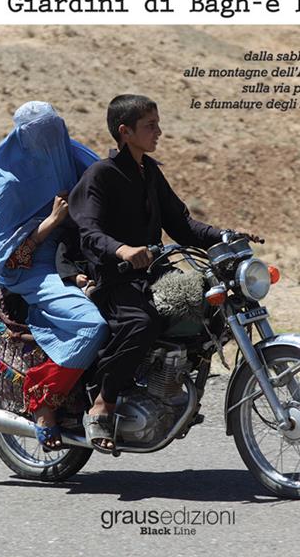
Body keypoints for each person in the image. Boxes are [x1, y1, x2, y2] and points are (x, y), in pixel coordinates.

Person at [68, 94, 222, 451]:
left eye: (157, 123)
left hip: (153, 273)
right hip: (115, 278)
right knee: (142, 322)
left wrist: (224, 236)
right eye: (150, 125)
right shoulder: (101, 175)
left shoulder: (149, 170)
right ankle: (103, 403)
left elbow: (181, 223)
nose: (159, 132)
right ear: (125, 131)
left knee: (210, 308)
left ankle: (168, 389)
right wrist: (122, 249)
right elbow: (88, 230)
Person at [0, 102, 109, 450]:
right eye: (40, 135)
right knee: (92, 326)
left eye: (55, 130)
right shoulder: (7, 183)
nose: (50, 141)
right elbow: (10, 261)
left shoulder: (73, 155)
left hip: (76, 255)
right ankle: (44, 400)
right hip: (34, 268)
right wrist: (49, 224)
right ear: (22, 137)